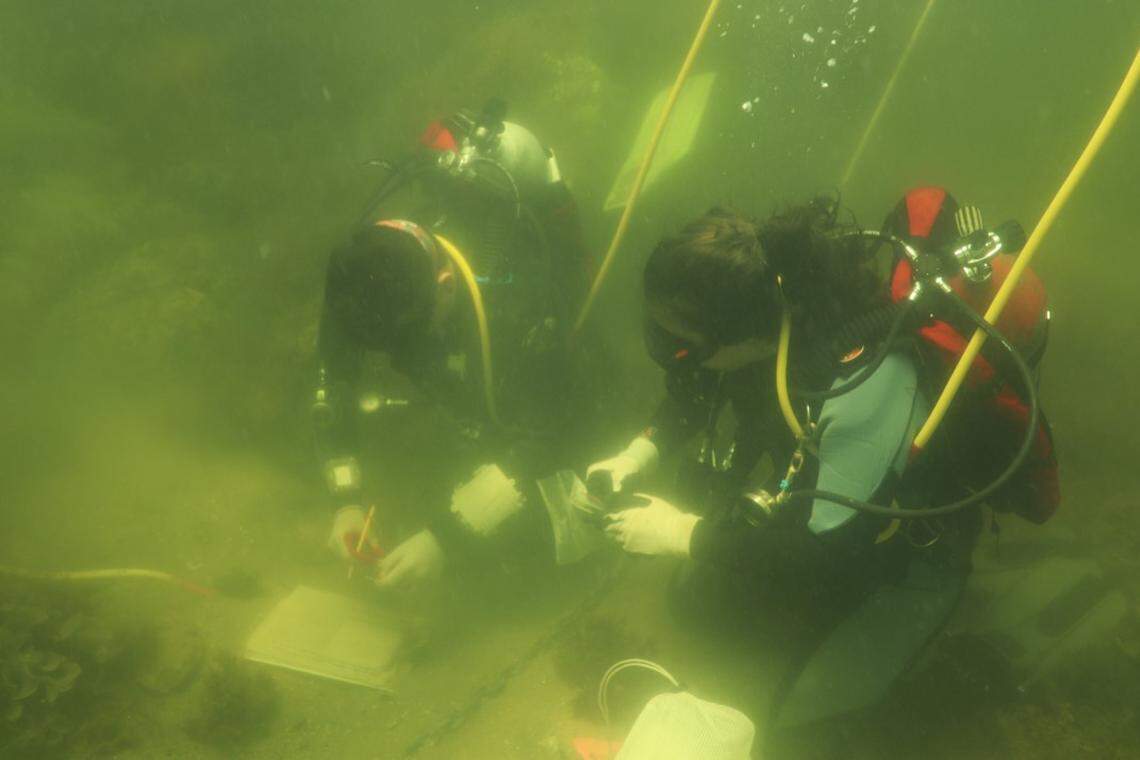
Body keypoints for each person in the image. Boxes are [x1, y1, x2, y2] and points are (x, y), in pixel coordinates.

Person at [587, 190, 1057, 733]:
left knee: (803, 725)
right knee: (697, 606)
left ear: (742, 333)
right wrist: (635, 454)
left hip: (906, 558)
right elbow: (693, 388)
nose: (671, 356)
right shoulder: (770, 324)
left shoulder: (866, 385)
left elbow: (824, 552)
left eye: (681, 343)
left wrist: (683, 533)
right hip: (824, 518)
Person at [313, 100, 600, 589]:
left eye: (410, 335)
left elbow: (541, 437)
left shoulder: (519, 308)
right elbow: (334, 377)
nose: (397, 352)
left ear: (445, 284)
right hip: (464, 381)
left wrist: (447, 539)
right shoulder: (358, 280)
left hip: (544, 393)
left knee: (525, 562)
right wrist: (346, 499)